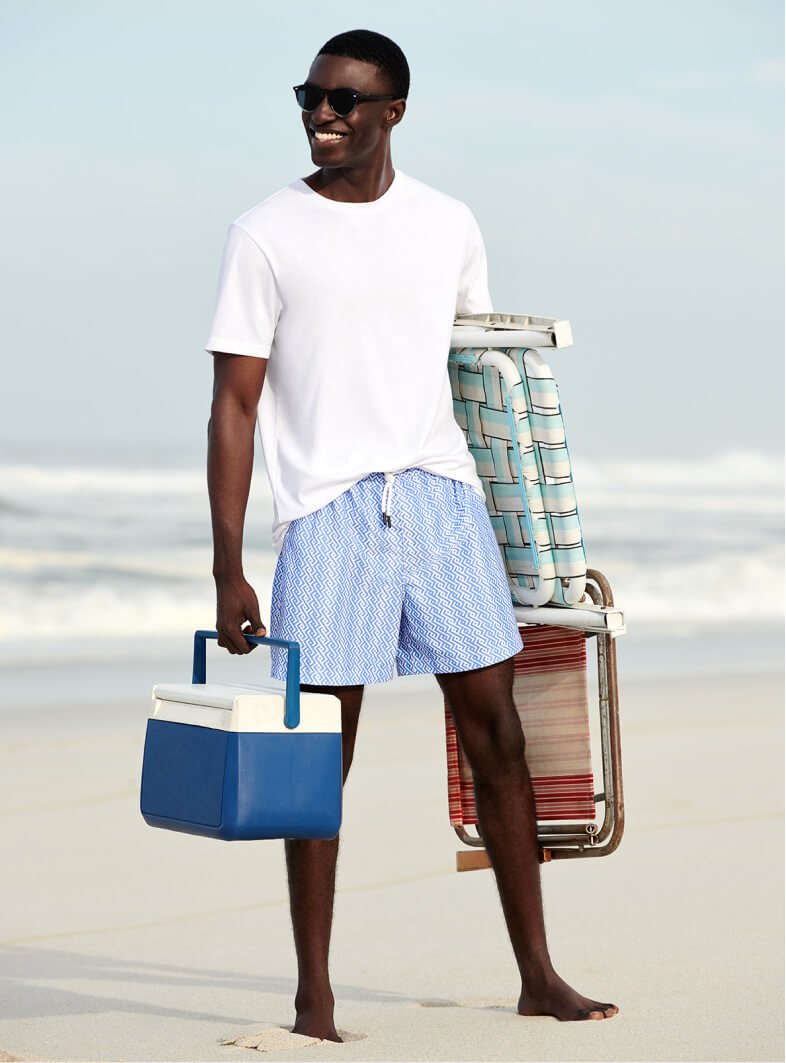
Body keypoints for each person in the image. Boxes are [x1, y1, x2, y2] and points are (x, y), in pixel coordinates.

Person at [205, 28, 618, 1042]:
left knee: (500, 738)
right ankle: (315, 994)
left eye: (345, 100)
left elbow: (482, 378)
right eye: (310, 97)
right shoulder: (265, 231)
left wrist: (533, 540)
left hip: (440, 499)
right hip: (328, 513)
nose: (323, 114)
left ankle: (538, 973)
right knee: (318, 760)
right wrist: (229, 566)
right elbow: (233, 407)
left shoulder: (447, 224)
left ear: (393, 110)